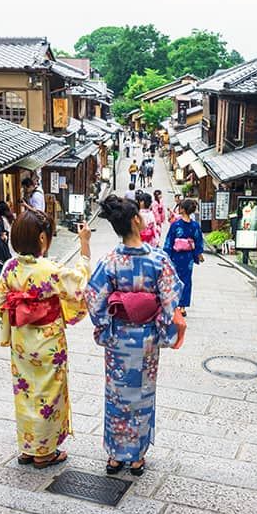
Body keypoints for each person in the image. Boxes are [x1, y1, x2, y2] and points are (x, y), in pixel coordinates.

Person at [84, 195, 182, 476]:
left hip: (118, 339)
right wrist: (162, 328)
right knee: (141, 394)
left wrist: (104, 326)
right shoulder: (158, 259)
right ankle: (137, 456)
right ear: (136, 220)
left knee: (116, 395)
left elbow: (94, 297)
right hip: (147, 339)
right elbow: (170, 298)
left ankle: (115, 455)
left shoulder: (110, 261)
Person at [0, 210, 92, 468]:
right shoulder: (51, 269)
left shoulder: (9, 268)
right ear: (41, 238)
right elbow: (79, 285)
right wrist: (84, 244)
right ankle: (44, 453)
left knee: (25, 393)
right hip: (49, 343)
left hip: (21, 342)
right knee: (49, 392)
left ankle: (28, 447)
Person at [163, 199, 204, 317]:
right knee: (186, 281)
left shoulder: (176, 225)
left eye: (180, 207)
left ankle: (175, 305)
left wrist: (166, 255)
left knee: (174, 280)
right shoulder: (195, 226)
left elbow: (169, 241)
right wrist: (198, 254)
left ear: (183, 209)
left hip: (175, 256)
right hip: (188, 258)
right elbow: (198, 241)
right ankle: (182, 307)